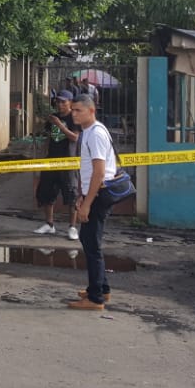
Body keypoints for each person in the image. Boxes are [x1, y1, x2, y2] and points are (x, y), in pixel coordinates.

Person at [67, 94, 119, 311]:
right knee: (90, 242)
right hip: (93, 192)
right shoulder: (87, 132)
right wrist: (83, 194)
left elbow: (98, 171)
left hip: (99, 194)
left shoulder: (95, 134)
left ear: (91, 110)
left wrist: (87, 203)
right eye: (73, 110)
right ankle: (100, 288)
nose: (74, 114)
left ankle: (95, 298)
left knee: (91, 244)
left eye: (78, 110)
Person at [34, 90, 81, 239]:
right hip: (51, 160)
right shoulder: (53, 118)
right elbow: (48, 137)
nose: (60, 105)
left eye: (63, 102)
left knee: (71, 194)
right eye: (58, 102)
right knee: (47, 192)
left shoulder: (74, 118)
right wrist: (42, 156)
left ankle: (72, 227)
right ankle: (49, 224)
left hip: (68, 161)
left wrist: (60, 125)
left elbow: (75, 138)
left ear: (70, 103)